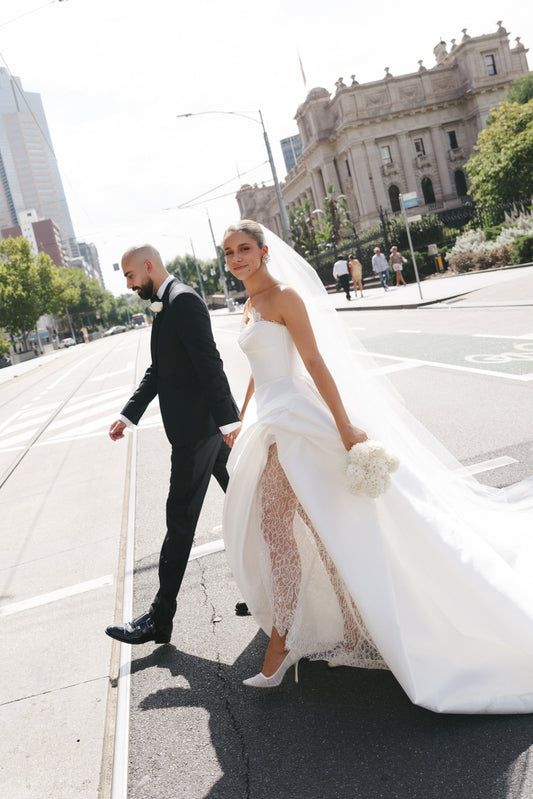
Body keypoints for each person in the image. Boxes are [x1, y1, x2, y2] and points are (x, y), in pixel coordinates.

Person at [221, 219, 533, 713]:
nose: (235, 258)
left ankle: (281, 646)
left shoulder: (283, 297)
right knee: (311, 529)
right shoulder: (249, 303)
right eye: (229, 252)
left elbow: (314, 363)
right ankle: (347, 630)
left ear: (263, 252)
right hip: (272, 422)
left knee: (277, 529)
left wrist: (344, 427)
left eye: (244, 249)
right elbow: (261, 372)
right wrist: (240, 417)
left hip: (298, 424)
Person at [105, 245, 242, 646]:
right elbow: (160, 369)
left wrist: (228, 420)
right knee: (250, 500)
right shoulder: (168, 304)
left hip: (198, 433)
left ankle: (159, 619)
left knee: (179, 522)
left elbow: (209, 362)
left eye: (130, 276)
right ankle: (275, 589)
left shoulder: (182, 302)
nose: (129, 285)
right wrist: (128, 414)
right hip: (204, 432)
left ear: (149, 267)